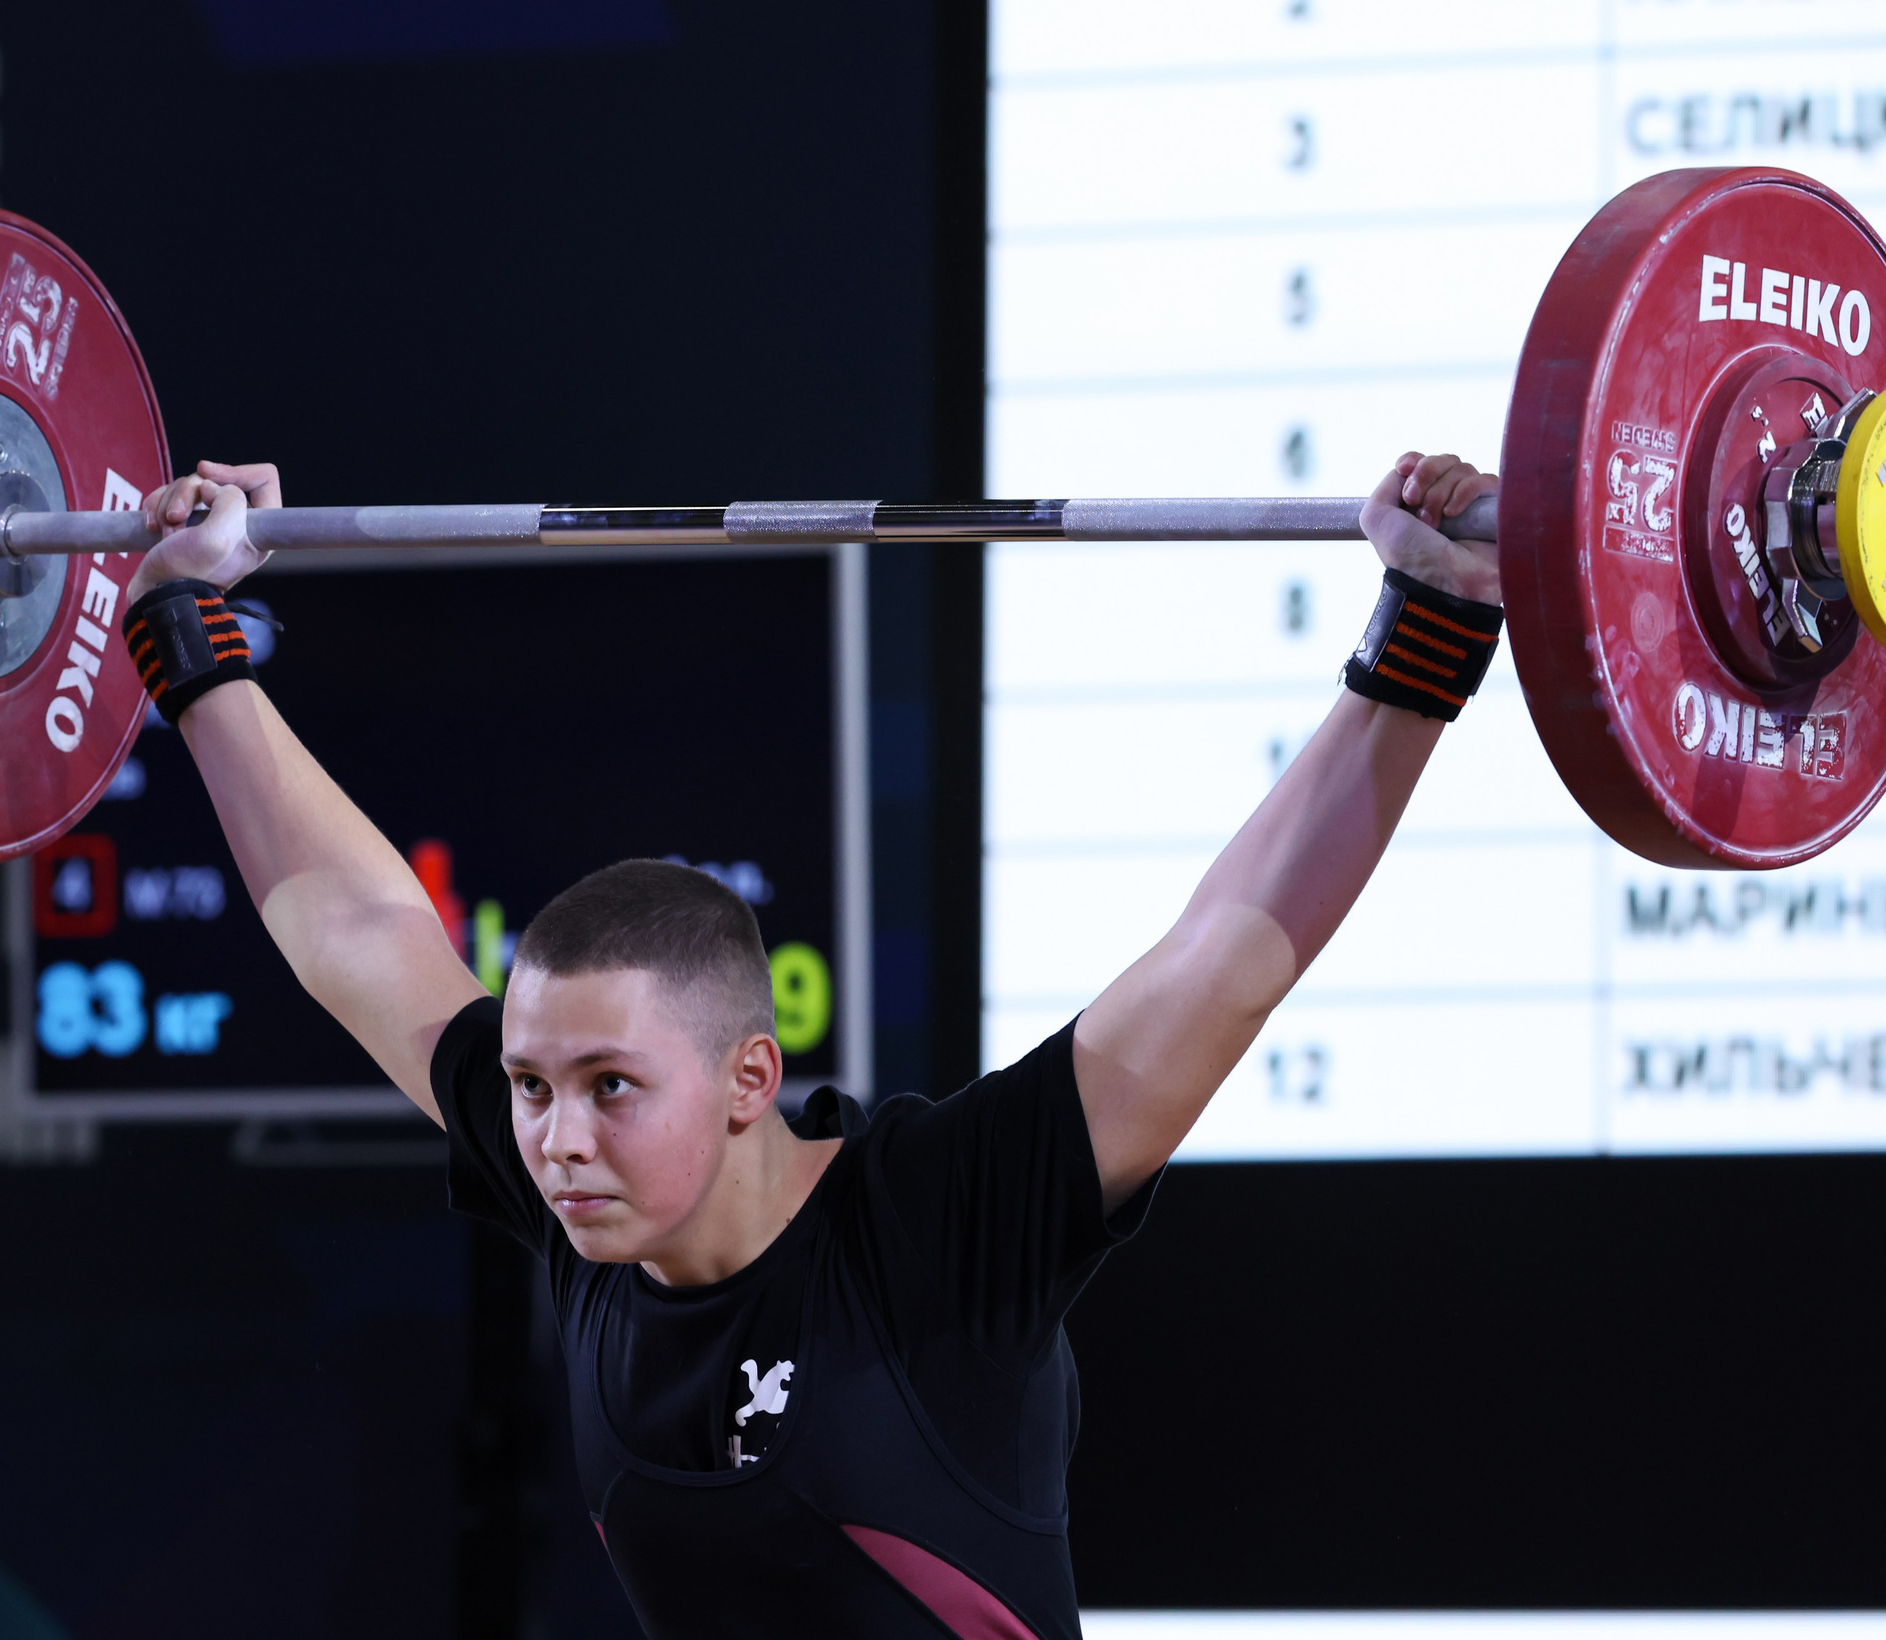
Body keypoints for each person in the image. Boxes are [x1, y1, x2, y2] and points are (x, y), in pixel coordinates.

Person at [115, 452, 1504, 1640]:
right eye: (531, 1087)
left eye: (609, 1088)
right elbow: (361, 933)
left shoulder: (941, 1220)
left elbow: (1230, 955)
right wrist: (188, 635)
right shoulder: (587, 1214)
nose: (553, 1137)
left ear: (748, 1080)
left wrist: (1428, 630)